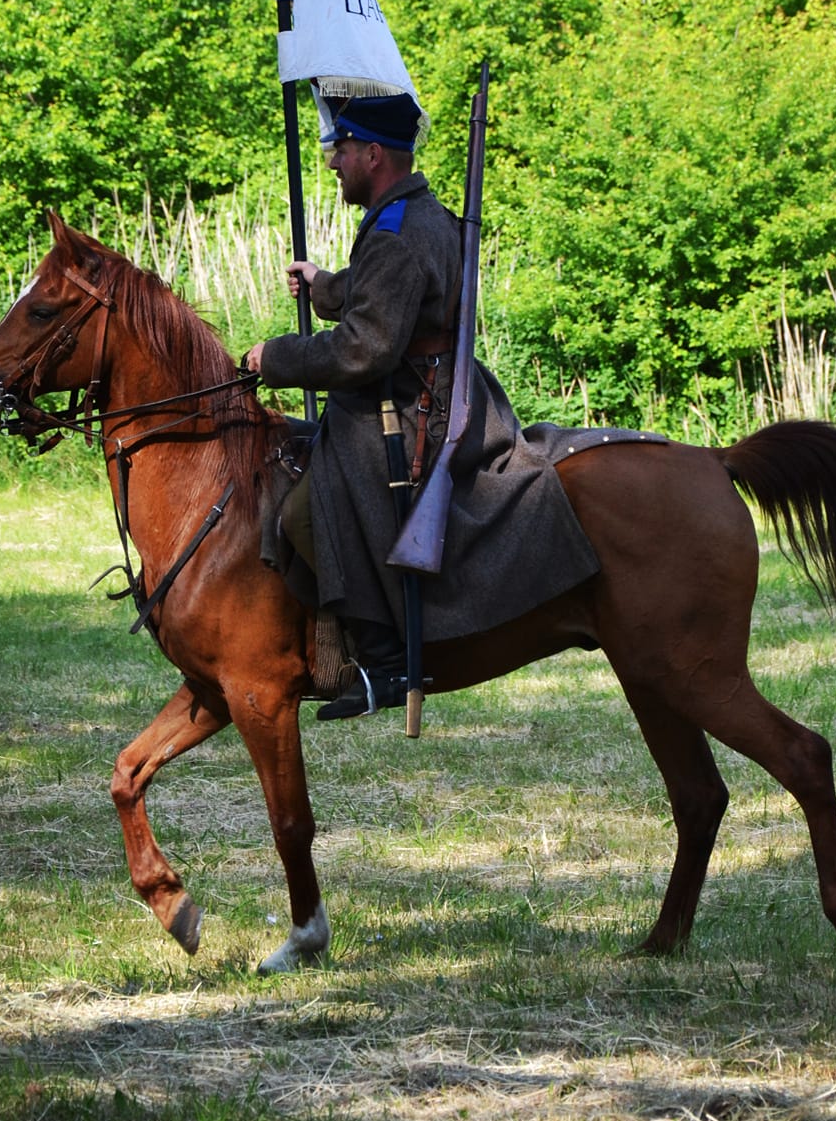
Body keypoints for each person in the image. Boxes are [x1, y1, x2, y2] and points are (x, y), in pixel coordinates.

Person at [247, 91, 600, 721]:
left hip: (411, 409)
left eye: (344, 150)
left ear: (374, 154)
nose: (334, 162)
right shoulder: (416, 215)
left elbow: (365, 347)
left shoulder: (395, 232)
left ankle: (382, 660)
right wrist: (325, 284)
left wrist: (276, 358)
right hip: (432, 389)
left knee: (305, 508)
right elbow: (383, 292)